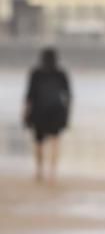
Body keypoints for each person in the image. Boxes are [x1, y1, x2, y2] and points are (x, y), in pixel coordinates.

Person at [23, 47, 72, 183]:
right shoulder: (61, 73)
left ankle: (39, 171)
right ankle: (52, 173)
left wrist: (25, 113)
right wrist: (67, 114)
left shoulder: (35, 73)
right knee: (55, 141)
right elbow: (68, 95)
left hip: (38, 110)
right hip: (57, 111)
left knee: (39, 142)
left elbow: (29, 96)